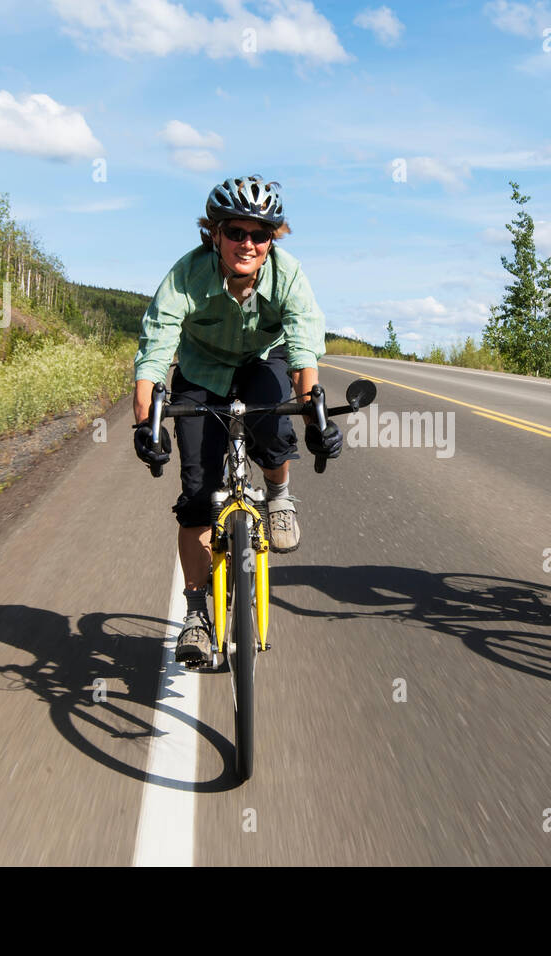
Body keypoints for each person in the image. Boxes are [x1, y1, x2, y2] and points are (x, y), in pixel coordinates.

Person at [131, 175, 342, 665]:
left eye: (260, 234)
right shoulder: (186, 275)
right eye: (236, 232)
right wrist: (147, 425)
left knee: (274, 429)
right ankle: (196, 614)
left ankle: (279, 495)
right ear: (215, 233)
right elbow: (155, 351)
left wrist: (316, 421)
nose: (247, 244)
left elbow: (303, 351)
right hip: (201, 372)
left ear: (273, 239)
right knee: (199, 496)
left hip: (261, 361)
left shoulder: (288, 276)